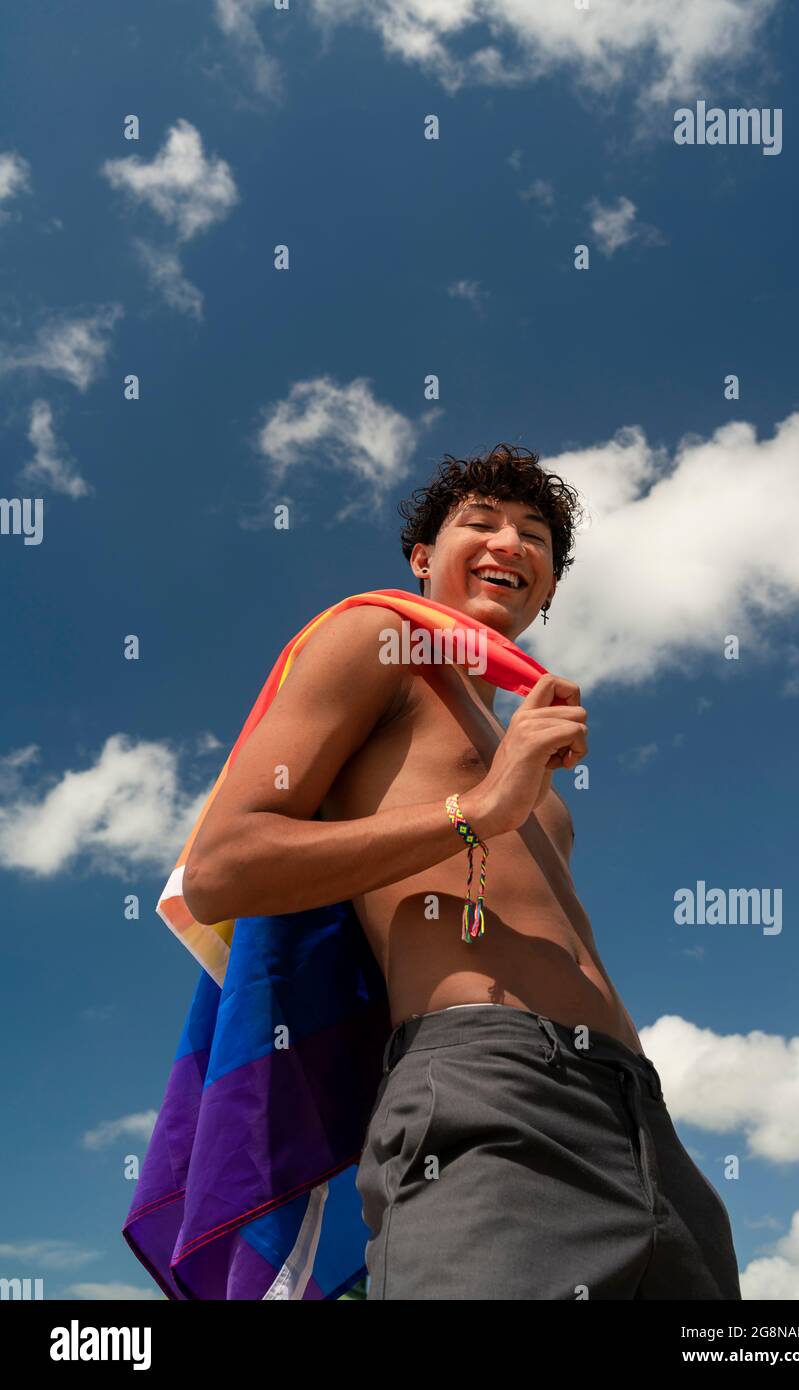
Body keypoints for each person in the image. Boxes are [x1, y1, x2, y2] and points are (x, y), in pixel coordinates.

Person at [181, 442, 742, 1300]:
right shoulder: (381, 639)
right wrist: (477, 811)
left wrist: (510, 791)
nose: (509, 543)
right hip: (487, 1088)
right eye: (479, 523)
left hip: (639, 1112)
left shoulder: (530, 757)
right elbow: (221, 870)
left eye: (535, 538)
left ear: (549, 587)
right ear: (422, 559)